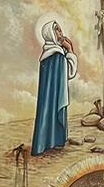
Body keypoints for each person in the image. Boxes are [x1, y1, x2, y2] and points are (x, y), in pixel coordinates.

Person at [32, 19, 78, 156]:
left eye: (59, 29)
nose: (60, 32)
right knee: (53, 111)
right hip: (56, 95)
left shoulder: (47, 55)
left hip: (50, 96)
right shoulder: (56, 55)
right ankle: (54, 141)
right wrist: (70, 50)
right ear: (50, 34)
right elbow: (69, 72)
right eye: (56, 29)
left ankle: (46, 142)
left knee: (47, 112)